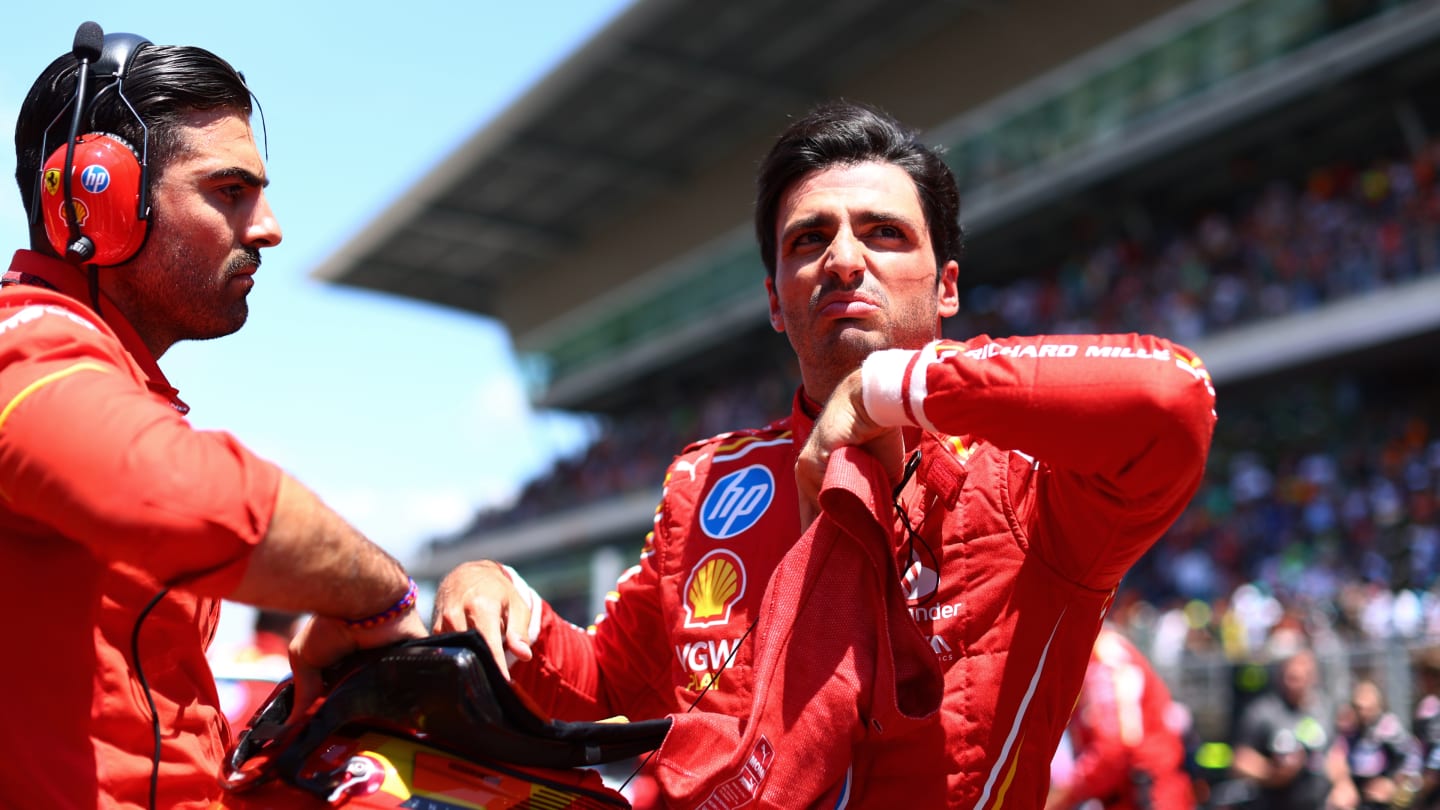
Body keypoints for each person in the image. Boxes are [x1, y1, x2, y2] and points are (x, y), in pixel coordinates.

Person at [433, 99, 1216, 807]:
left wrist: (896, 389)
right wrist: (503, 598)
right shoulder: (707, 483)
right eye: (810, 239)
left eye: (884, 232)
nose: (844, 258)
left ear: (945, 287)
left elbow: (1175, 399)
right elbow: (601, 682)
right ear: (776, 298)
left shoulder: (1028, 483)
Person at [2, 23, 427, 808]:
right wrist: (385, 598)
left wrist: (306, 728)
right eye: (230, 192)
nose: (267, 227)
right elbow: (178, 497)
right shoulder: (22, 345)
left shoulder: (112, 380)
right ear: (91, 199)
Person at [1044, 625, 1198, 810]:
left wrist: (1062, 796)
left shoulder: (1100, 655)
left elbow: (1112, 749)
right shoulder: (1101, 649)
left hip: (1146, 795)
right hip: (1143, 792)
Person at [1229, 645, 1341, 810]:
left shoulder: (1324, 708)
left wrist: (1342, 785)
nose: (1294, 683)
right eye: (1290, 676)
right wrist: (1271, 773)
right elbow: (1240, 761)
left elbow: (1335, 753)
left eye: (1301, 676)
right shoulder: (1262, 711)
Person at [1328, 677, 1423, 810]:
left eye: (1369, 708)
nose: (1364, 713)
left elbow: (1412, 758)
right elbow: (1336, 756)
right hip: (1358, 794)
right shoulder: (1351, 731)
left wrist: (1392, 784)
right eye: (1359, 708)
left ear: (1378, 706)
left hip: (1383, 800)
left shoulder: (1388, 729)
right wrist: (1343, 783)